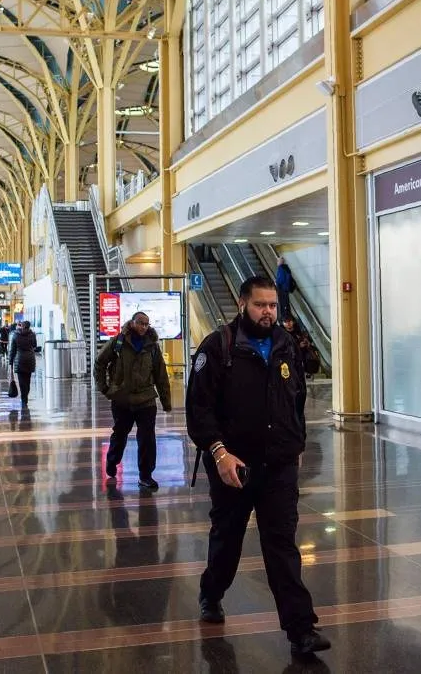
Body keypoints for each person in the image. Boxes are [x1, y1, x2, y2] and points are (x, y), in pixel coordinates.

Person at [185, 275, 329, 657]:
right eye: (260, 305)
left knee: (281, 545)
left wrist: (295, 443)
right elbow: (198, 410)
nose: (267, 313)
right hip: (234, 466)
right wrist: (219, 452)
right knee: (227, 540)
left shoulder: (285, 345)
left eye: (272, 306)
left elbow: (295, 399)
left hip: (278, 466)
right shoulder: (218, 348)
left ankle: (301, 629)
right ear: (242, 303)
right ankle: (211, 593)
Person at [93, 312, 172, 491]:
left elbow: (161, 375)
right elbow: (99, 362)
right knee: (120, 434)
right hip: (123, 400)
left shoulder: (152, 347)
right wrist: (105, 388)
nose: (144, 327)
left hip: (146, 400)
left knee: (147, 439)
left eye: (147, 324)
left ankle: (145, 476)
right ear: (133, 322)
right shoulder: (118, 342)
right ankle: (112, 461)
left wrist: (166, 402)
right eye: (141, 323)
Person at [8, 321, 37, 408]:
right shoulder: (32, 335)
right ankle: (25, 397)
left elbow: (12, 350)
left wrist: (10, 362)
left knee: (21, 382)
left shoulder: (15, 335)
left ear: (21, 326)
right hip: (30, 359)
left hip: (19, 360)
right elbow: (35, 345)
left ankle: (24, 399)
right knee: (27, 381)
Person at [275, 256, 295, 322]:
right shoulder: (287, 268)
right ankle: (287, 316)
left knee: (282, 303)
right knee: (286, 303)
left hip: (282, 288)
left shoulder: (281, 268)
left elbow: (280, 279)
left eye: (278, 261)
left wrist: (276, 282)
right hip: (286, 288)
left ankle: (284, 318)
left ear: (280, 262)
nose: (277, 262)